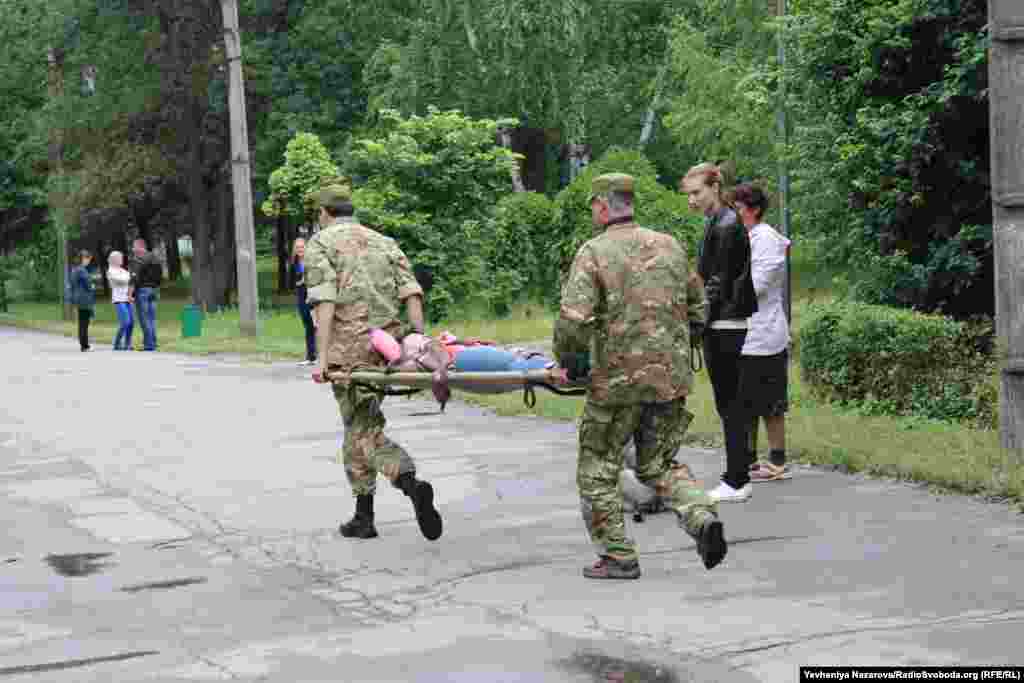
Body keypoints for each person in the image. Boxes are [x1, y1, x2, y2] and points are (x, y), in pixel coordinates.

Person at [554, 173, 726, 580]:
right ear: (630, 203)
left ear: (601, 206)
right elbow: (700, 310)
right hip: (670, 380)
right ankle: (700, 517)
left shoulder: (593, 252)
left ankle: (617, 555)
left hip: (616, 384)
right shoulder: (670, 246)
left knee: (598, 465)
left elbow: (573, 321)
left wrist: (570, 360)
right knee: (659, 464)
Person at [305, 184, 443, 542]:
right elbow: (412, 292)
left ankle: (409, 481)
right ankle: (363, 516)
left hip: (349, 354)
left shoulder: (321, 243)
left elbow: (325, 303)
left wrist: (321, 359)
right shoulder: (384, 241)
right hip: (388, 348)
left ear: (323, 213)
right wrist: (417, 341)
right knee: (360, 423)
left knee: (361, 428)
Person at [680, 162, 758, 504]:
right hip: (723, 321)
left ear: (714, 187)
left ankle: (737, 479)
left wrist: (695, 323)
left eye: (696, 193)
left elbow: (717, 284)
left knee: (731, 404)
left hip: (724, 323)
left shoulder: (726, 225)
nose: (691, 200)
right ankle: (737, 475)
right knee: (730, 403)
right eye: (688, 195)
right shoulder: (720, 221)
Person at [732, 183, 792, 482]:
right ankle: (749, 461)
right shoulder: (745, 237)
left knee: (770, 403)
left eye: (739, 209)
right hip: (744, 335)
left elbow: (758, 285)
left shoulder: (765, 238)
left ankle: (777, 461)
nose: (735, 214)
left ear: (754, 210)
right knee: (744, 403)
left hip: (764, 335)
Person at [128, 238, 162, 351]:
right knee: (152, 318)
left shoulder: (138, 259)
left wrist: (129, 294)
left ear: (140, 247)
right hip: (154, 290)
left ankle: (149, 344)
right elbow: (160, 275)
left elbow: (134, 278)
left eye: (134, 246)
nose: (133, 249)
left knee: (144, 318)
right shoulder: (155, 258)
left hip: (142, 291)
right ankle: (153, 342)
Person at [290, 238, 318, 366]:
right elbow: (292, 282)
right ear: (295, 250)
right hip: (302, 297)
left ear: (306, 248)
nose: (300, 249)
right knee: (308, 326)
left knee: (318, 326)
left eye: (302, 247)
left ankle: (322, 356)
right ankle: (311, 356)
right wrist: (300, 282)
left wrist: (305, 281)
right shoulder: (294, 263)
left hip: (313, 298)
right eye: (298, 247)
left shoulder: (312, 261)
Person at [70, 250, 96, 352]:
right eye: (88, 259)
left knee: (82, 323)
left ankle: (84, 344)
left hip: (78, 298)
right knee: (84, 323)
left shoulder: (74, 269)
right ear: (84, 258)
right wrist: (92, 286)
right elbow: (88, 284)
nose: (89, 261)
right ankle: (85, 345)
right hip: (84, 299)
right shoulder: (82, 270)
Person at [107, 251, 134, 351]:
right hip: (119, 299)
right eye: (120, 258)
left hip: (127, 298)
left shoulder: (123, 270)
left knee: (131, 322)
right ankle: (117, 343)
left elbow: (130, 280)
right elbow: (119, 280)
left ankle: (128, 343)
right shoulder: (111, 271)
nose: (122, 259)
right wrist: (128, 279)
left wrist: (128, 279)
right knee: (125, 322)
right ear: (114, 260)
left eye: (121, 258)